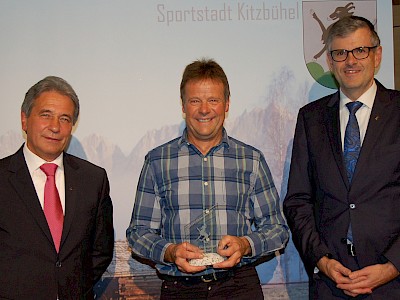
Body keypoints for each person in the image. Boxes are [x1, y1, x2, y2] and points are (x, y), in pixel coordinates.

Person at [126, 58, 289, 299]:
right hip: (180, 289)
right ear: (183, 106)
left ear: (227, 105)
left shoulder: (251, 159)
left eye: (213, 100)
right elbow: (138, 232)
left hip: (239, 286)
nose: (204, 109)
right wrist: (170, 252)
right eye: (195, 101)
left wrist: (245, 245)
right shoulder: (157, 160)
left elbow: (278, 229)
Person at [284, 16, 400, 299]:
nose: (350, 61)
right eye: (340, 53)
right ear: (330, 62)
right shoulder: (310, 118)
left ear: (377, 55)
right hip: (330, 283)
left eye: (360, 50)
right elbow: (298, 200)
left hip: (393, 283)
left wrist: (393, 265)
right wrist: (321, 260)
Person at [0, 76, 114, 299]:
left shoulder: (93, 179)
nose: (55, 127)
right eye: (46, 115)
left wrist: (72, 287)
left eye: (65, 118)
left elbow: (101, 251)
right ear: (24, 120)